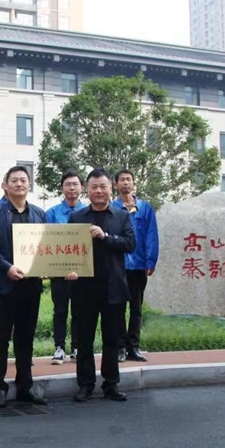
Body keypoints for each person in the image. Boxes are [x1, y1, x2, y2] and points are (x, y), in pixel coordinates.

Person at [66, 168, 136, 402]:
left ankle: (111, 384)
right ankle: (85, 385)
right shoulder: (77, 217)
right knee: (84, 339)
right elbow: (68, 250)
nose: (98, 191)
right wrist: (68, 269)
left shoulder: (121, 216)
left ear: (110, 188)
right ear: (87, 190)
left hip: (113, 287)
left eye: (102, 186)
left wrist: (105, 237)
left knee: (112, 339)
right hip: (83, 288)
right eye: (94, 187)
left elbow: (130, 244)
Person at [0, 165, 48, 407]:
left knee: (26, 337)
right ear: (5, 185)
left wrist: (47, 267)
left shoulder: (39, 214)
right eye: (14, 180)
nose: (19, 184)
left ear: (29, 185)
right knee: (1, 337)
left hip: (31, 285)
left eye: (23, 180)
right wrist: (6, 267)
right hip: (5, 284)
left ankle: (25, 386)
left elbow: (45, 247)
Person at [112, 169, 159, 362]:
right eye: (122, 180)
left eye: (128, 179)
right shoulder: (112, 208)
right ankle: (120, 347)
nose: (125, 183)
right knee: (118, 308)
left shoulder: (145, 208)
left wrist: (151, 260)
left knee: (136, 309)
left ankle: (134, 347)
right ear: (115, 185)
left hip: (139, 266)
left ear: (134, 183)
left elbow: (151, 235)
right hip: (118, 266)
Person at [45, 171, 85, 365]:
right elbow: (46, 241)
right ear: (62, 188)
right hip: (58, 272)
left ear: (81, 187)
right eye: (68, 184)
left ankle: (77, 347)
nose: (71, 188)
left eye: (75, 184)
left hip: (81, 273)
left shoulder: (88, 212)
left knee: (79, 311)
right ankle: (59, 347)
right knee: (60, 311)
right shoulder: (52, 213)